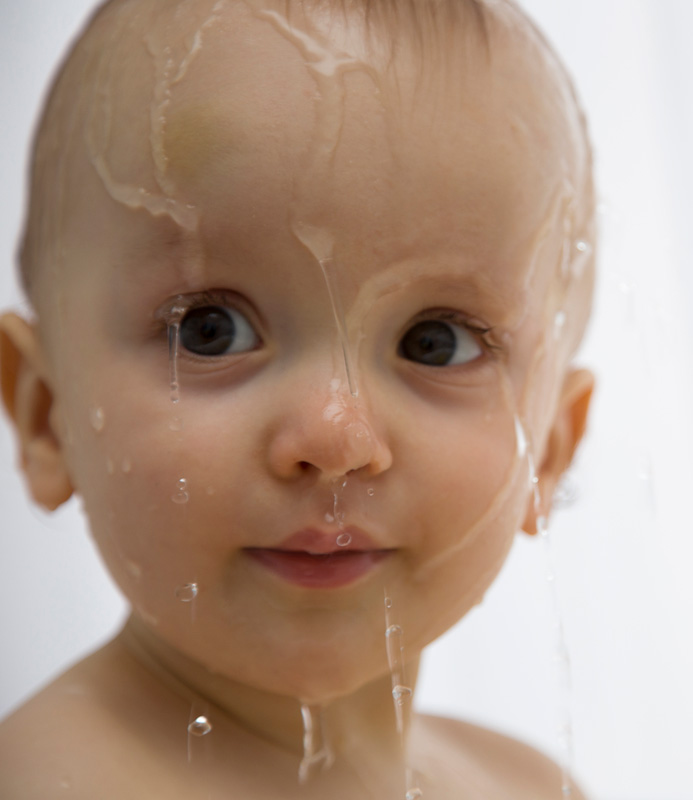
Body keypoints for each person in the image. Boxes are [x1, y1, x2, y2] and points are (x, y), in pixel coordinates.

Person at [0, 0, 596, 797]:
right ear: (47, 415)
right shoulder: (50, 783)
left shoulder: (526, 782)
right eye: (209, 332)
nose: (336, 434)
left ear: (548, 448)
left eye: (435, 343)